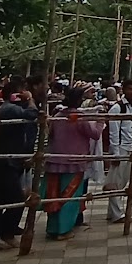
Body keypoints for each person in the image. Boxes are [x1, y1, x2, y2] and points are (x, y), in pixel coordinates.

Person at [43, 88, 103, 240]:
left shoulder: (58, 116)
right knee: (69, 197)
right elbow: (95, 134)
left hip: (55, 160)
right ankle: (63, 230)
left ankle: (52, 228)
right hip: (74, 161)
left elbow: (49, 134)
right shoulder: (78, 117)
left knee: (54, 194)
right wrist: (101, 121)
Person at [0, 83, 37, 249]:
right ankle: (6, 232)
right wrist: (30, 99)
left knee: (0, 199)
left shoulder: (10, 108)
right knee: (16, 198)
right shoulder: (10, 109)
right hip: (6, 161)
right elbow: (32, 114)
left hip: (9, 159)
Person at [104, 78, 132, 223]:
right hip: (121, 148)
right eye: (130, 89)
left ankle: (112, 212)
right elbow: (113, 133)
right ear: (123, 90)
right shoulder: (117, 108)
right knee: (117, 183)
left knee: (124, 181)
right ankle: (117, 214)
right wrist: (115, 154)